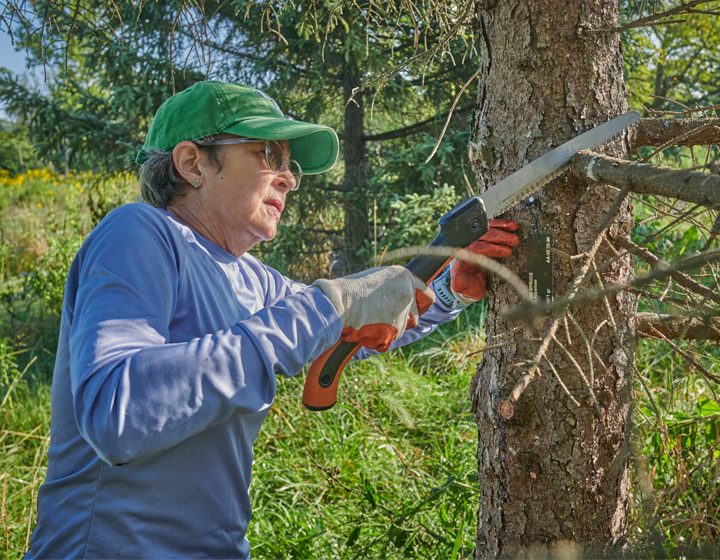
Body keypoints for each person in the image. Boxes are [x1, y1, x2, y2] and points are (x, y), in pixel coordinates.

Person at [25, 81, 519, 559]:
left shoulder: (254, 280)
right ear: (193, 162)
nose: (288, 177)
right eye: (269, 156)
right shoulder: (138, 233)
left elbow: (350, 331)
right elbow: (117, 415)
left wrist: (450, 289)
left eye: (290, 165)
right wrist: (327, 305)